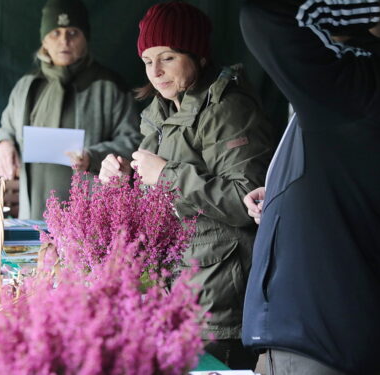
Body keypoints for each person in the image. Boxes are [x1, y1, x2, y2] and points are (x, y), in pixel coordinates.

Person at [239, 0, 380, 374]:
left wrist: (372, 9)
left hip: (318, 341)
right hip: (335, 334)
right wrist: (284, 195)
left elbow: (262, 12)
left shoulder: (359, 84)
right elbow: (350, 175)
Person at [99, 2, 273, 369]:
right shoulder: (158, 113)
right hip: (174, 288)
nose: (156, 71)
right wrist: (122, 179)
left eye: (168, 57)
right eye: (148, 61)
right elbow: (158, 196)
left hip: (219, 297)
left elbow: (249, 201)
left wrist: (167, 174)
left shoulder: (229, 109)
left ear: (197, 55)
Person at [0, 0, 142, 220]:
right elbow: (7, 127)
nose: (64, 40)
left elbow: (134, 142)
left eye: (73, 32)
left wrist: (92, 157)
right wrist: (3, 143)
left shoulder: (110, 87)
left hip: (92, 223)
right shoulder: (26, 86)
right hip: (32, 215)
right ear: (44, 39)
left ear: (85, 38)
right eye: (56, 32)